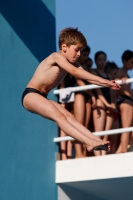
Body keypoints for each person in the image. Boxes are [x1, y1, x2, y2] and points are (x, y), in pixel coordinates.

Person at [21, 27, 120, 152]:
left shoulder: (73, 63)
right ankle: (88, 142)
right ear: (64, 47)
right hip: (31, 94)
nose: (79, 54)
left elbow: (88, 78)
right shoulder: (56, 57)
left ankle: (95, 139)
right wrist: (104, 81)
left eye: (80, 51)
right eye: (77, 50)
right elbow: (74, 72)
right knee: (59, 116)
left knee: (69, 117)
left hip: (42, 96)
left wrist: (107, 83)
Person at [106, 50, 133, 153]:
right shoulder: (120, 72)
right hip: (125, 101)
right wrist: (120, 79)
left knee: (129, 129)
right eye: (131, 62)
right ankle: (122, 152)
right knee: (126, 128)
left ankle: (121, 150)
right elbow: (113, 82)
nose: (132, 65)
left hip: (128, 101)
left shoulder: (125, 74)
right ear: (124, 61)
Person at [92, 51, 117, 156]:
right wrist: (106, 103)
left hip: (108, 105)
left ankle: (104, 155)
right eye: (99, 60)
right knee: (99, 133)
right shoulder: (93, 73)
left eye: (104, 59)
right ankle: (98, 156)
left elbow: (112, 91)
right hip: (100, 103)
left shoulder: (108, 75)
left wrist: (111, 104)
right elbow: (98, 91)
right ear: (96, 61)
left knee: (106, 134)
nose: (102, 62)